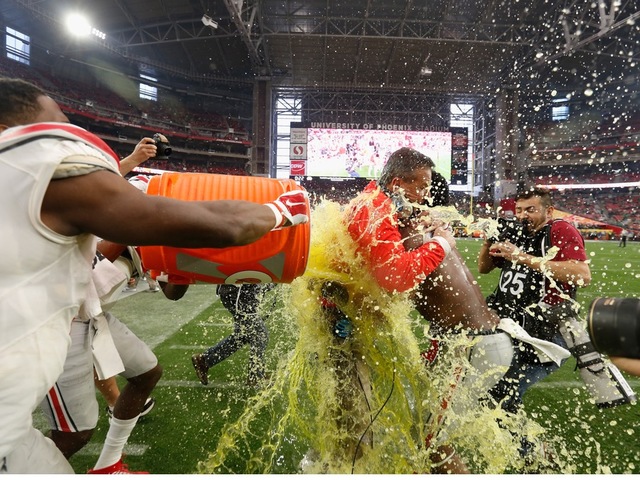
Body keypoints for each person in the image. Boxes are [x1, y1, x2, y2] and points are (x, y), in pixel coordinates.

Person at [0, 77, 309, 474]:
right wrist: (278, 213)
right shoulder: (35, 173)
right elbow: (216, 226)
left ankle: (108, 463)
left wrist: (166, 259)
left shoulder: (28, 188)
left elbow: (172, 288)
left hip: (73, 328)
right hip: (56, 341)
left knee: (146, 372)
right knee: (76, 432)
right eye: (54, 123)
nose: (68, 136)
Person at [478, 188, 633, 416]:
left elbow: (582, 275)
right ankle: (529, 447)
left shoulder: (559, 229)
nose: (522, 215)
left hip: (544, 333)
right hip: (509, 326)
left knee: (500, 396)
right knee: (487, 388)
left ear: (548, 211)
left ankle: (531, 450)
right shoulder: (518, 232)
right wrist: (488, 241)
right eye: (519, 210)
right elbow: (483, 268)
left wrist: (520, 256)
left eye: (531, 209)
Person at [192, 283, 275, 387]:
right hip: (238, 292)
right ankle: (256, 377)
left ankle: (205, 360)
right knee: (260, 335)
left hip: (237, 291)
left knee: (242, 336)